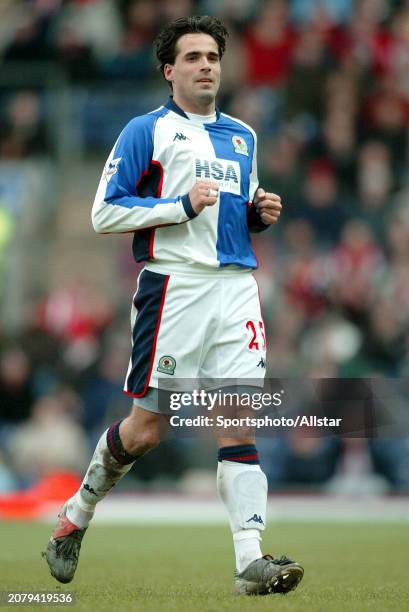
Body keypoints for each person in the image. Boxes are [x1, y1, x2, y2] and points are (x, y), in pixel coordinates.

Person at [43, 15, 304, 596]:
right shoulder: (147, 130)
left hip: (236, 288)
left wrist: (256, 215)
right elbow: (105, 212)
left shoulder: (243, 136)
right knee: (147, 431)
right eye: (192, 57)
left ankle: (250, 563)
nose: (206, 65)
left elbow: (233, 213)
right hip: (173, 289)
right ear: (170, 70)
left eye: (212, 55)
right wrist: (178, 206)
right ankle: (75, 516)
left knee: (236, 419)